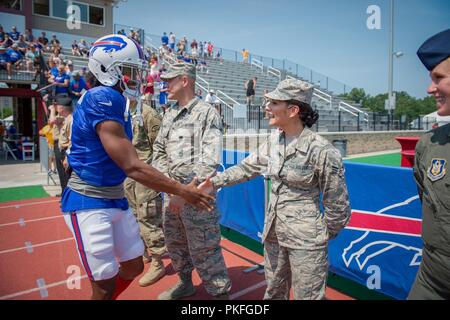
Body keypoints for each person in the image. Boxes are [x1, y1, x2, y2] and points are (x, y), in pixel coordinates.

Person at [60, 34, 214, 300]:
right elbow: (132, 165)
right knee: (104, 284)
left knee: (132, 265)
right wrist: (183, 191)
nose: (138, 78)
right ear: (109, 67)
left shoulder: (117, 100)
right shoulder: (103, 97)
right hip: (90, 201)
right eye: (130, 70)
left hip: (115, 197)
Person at [199, 79, 351, 300]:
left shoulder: (321, 150)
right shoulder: (274, 141)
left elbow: (338, 207)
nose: (266, 107)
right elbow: (246, 168)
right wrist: (214, 182)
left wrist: (316, 236)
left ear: (293, 110)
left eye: (274, 103)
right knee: (273, 293)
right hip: (274, 236)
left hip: (306, 243)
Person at [153, 62, 231, 300]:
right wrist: (170, 187)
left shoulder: (207, 113)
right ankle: (185, 282)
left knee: (205, 248)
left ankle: (220, 295)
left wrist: (183, 193)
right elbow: (158, 150)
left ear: (184, 80)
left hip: (197, 197)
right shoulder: (169, 113)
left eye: (169, 80)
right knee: (176, 243)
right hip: (172, 193)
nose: (165, 85)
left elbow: (209, 161)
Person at [408, 28, 450, 300]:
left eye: (439, 78)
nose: (430, 88)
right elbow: (428, 201)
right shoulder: (429, 145)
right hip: (432, 278)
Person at [124, 98, 166, 287]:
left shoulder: (148, 114)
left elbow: (159, 148)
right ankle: (145, 252)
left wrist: (156, 177)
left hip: (146, 174)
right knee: (132, 217)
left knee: (148, 217)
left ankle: (158, 262)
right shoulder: (121, 112)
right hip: (128, 175)